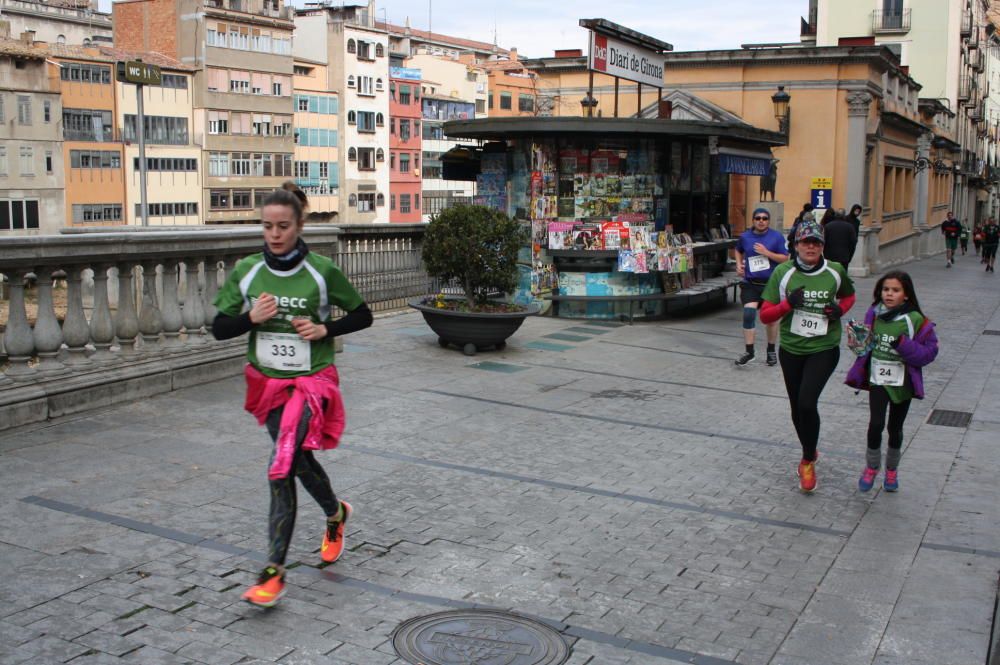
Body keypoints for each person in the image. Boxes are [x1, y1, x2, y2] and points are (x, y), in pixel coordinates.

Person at [211, 188, 374, 607]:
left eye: (283, 226)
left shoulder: (321, 272)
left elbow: (363, 314)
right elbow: (218, 327)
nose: (275, 234)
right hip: (268, 386)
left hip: (310, 383)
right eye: (267, 226)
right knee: (297, 460)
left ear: (300, 226)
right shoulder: (247, 271)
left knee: (281, 466)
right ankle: (336, 512)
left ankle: (273, 573)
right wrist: (250, 318)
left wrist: (325, 330)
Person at [760, 218, 856, 492]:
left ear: (823, 246)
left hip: (823, 348)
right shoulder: (783, 273)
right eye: (806, 242)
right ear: (796, 245)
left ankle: (806, 461)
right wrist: (788, 304)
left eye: (816, 242)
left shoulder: (835, 271)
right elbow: (765, 314)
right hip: (791, 348)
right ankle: (810, 449)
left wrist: (840, 310)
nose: (811, 247)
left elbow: (849, 296)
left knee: (806, 402)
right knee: (796, 408)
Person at [845, 271, 938, 492]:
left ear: (906, 295)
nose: (889, 294)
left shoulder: (915, 319)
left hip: (902, 382)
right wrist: (857, 339)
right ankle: (871, 467)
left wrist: (903, 344)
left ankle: (892, 471)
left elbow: (929, 352)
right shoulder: (873, 313)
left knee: (894, 427)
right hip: (878, 379)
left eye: (895, 290)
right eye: (886, 289)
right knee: (875, 424)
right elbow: (864, 348)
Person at [734, 207, 789, 367]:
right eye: (758, 218)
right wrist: (738, 265)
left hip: (771, 285)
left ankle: (771, 351)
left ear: (768, 221)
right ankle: (749, 352)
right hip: (751, 284)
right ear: (753, 220)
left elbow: (785, 259)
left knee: (771, 320)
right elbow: (738, 250)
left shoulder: (776, 237)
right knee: (749, 314)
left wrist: (767, 253)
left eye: (764, 218)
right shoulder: (745, 237)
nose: (761, 221)